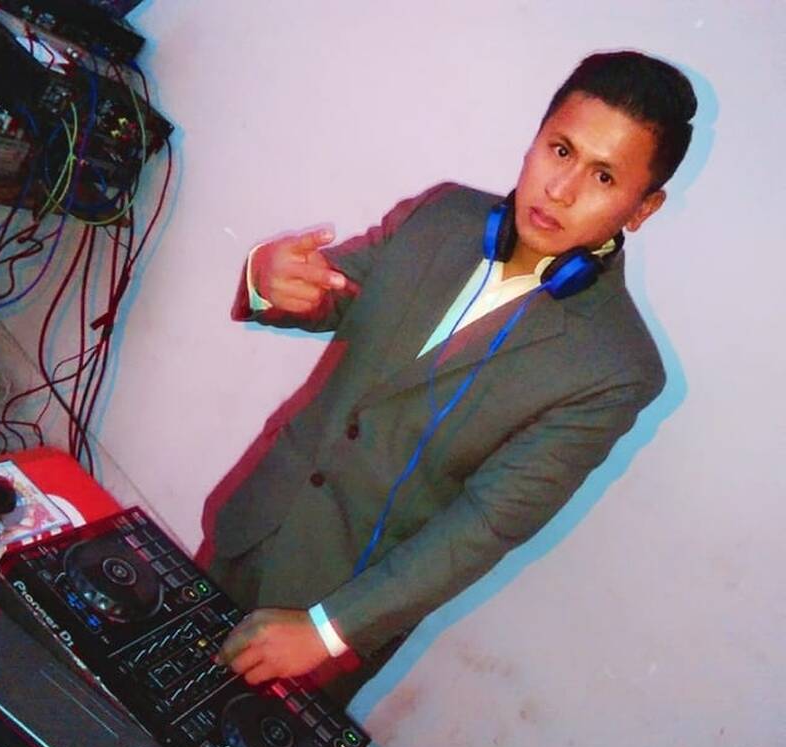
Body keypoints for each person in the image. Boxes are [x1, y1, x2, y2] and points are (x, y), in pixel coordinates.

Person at [199, 50, 698, 705]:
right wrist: (268, 279)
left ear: (643, 208)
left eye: (603, 176)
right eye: (560, 150)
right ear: (535, 139)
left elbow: (485, 524)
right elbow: (326, 291)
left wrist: (325, 631)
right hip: (248, 527)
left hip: (329, 616)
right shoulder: (442, 214)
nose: (561, 189)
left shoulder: (616, 369)